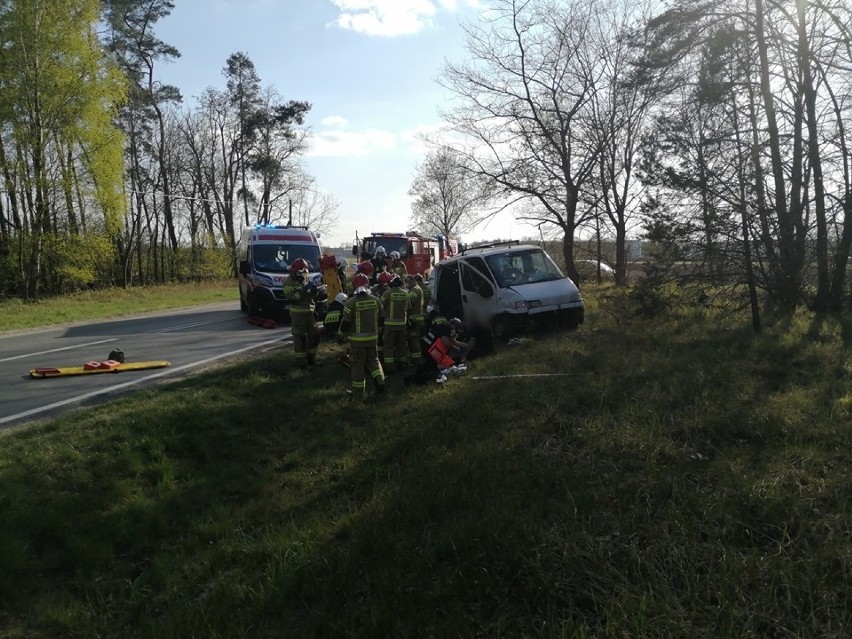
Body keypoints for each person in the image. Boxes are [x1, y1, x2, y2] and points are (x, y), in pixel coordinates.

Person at [338, 273, 386, 398]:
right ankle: (380, 382)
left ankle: (358, 393)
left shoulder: (350, 303)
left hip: (357, 342)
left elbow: (346, 323)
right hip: (373, 339)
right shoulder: (376, 300)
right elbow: (382, 318)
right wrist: (378, 331)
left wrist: (340, 335)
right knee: (374, 361)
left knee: (357, 365)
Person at [282, 258, 321, 368]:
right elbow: (291, 299)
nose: (303, 274)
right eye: (301, 272)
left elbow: (310, 297)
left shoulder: (304, 278)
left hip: (310, 313)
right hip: (298, 315)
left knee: (315, 336)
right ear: (294, 270)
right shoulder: (288, 282)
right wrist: (302, 291)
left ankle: (311, 360)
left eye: (305, 272)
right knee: (300, 339)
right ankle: (301, 364)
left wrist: (314, 291)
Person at [381, 274, 411, 370]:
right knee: (401, 345)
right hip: (402, 325)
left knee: (388, 346)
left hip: (389, 326)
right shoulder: (406, 294)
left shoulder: (387, 293)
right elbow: (408, 308)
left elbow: (380, 307)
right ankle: (402, 364)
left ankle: (389, 367)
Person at [405, 274, 425, 357]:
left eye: (407, 282)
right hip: (417, 319)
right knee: (413, 339)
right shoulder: (416, 288)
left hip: (415, 320)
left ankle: (416, 360)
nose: (406, 284)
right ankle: (416, 358)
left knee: (414, 340)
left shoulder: (414, 290)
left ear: (412, 280)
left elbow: (409, 303)